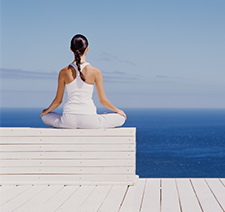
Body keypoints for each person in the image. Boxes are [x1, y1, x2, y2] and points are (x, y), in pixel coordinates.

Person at [41, 34, 126, 129]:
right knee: (120, 117)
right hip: (89, 121)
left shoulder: (63, 72)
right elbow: (103, 101)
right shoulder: (95, 71)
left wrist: (46, 111)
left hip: (68, 120)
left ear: (71, 49)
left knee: (45, 116)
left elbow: (58, 101)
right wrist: (118, 111)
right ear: (87, 48)